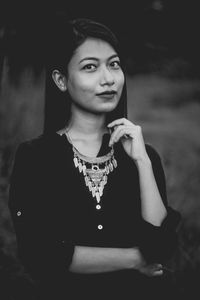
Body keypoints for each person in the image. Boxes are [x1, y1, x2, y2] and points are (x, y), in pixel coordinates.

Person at [8, 17, 181, 299]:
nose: (108, 78)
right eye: (90, 67)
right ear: (61, 80)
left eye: (114, 64)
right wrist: (135, 260)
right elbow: (40, 255)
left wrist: (142, 163)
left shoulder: (143, 155)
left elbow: (160, 248)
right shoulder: (35, 158)